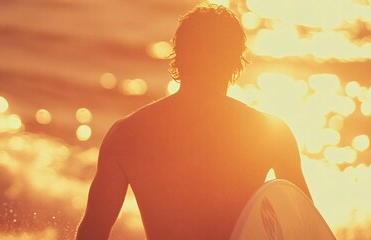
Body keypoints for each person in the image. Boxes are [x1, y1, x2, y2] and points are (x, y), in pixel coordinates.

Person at [76, 3, 311, 240]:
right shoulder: (270, 134)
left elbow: (93, 232)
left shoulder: (127, 134)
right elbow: (306, 230)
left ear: (179, 55)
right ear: (235, 62)